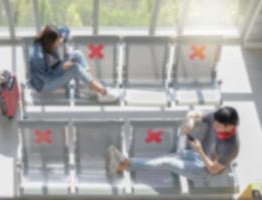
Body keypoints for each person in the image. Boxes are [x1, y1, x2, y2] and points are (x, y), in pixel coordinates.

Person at [106, 106, 240, 181]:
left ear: (229, 126)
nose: (214, 125)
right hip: (196, 155)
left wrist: (199, 150)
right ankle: (120, 166)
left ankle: (124, 162)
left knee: (166, 162)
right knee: (165, 159)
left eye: (218, 125)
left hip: (203, 169)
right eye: (214, 122)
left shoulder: (231, 147)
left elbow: (212, 169)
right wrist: (190, 119)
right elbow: (195, 112)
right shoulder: (217, 118)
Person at [29, 25, 118, 102]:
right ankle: (101, 90)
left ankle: (91, 86)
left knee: (77, 54)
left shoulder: (49, 38)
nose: (59, 44)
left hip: (53, 67)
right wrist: (63, 68)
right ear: (50, 42)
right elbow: (48, 78)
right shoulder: (37, 58)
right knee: (75, 68)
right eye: (57, 42)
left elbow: (65, 29)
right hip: (44, 85)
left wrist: (62, 38)